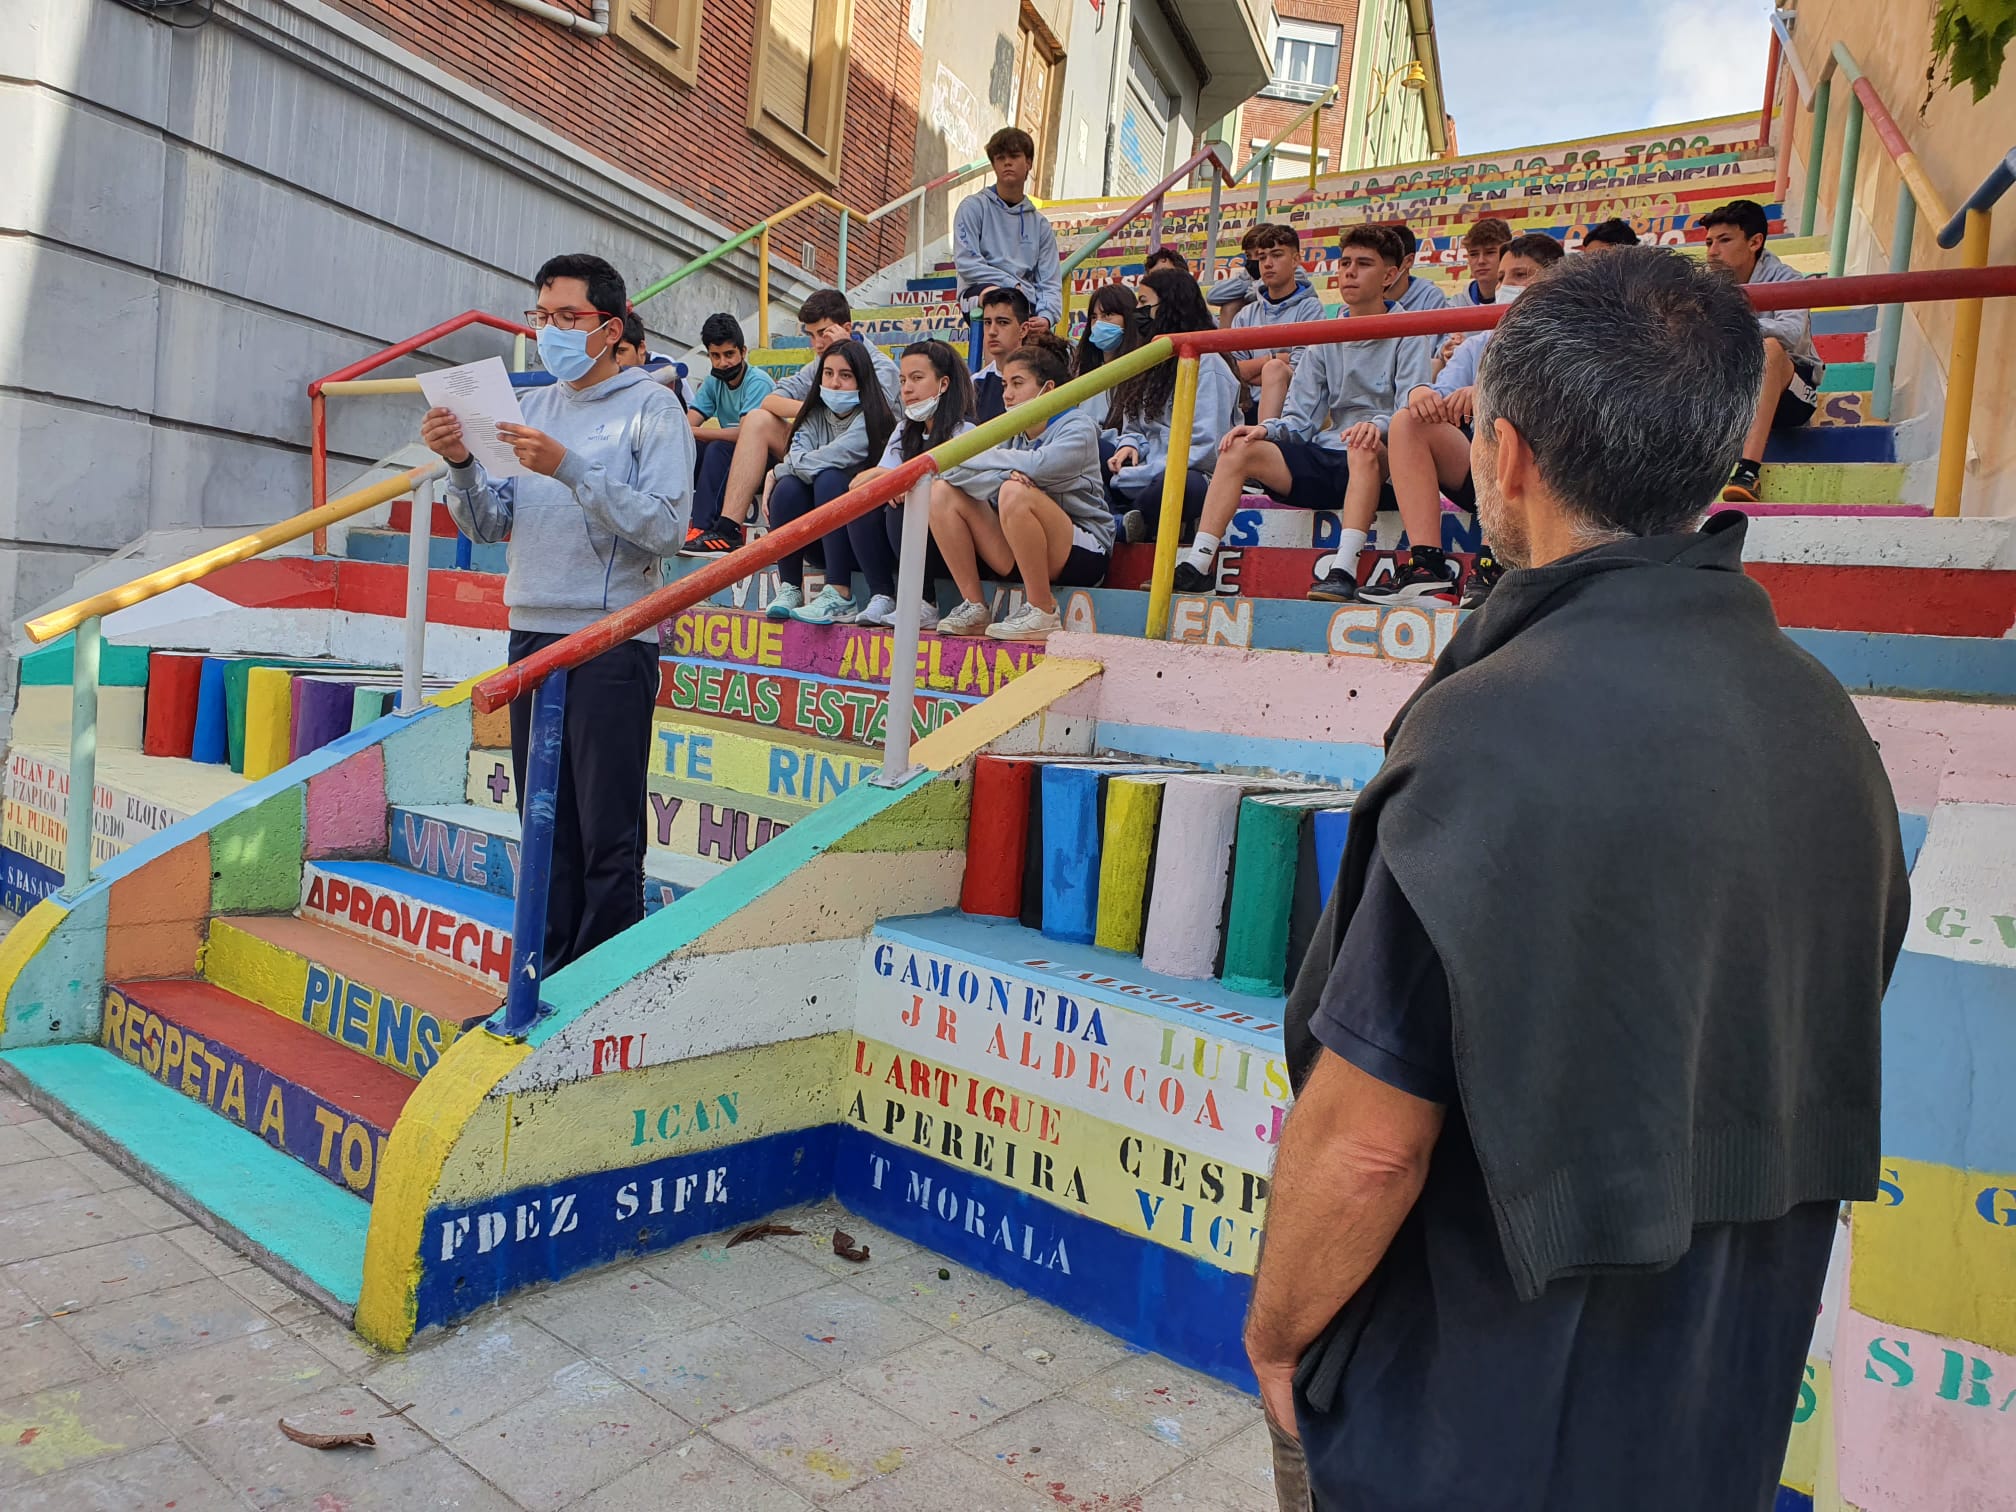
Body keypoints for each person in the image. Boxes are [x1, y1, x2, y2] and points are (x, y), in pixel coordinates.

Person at [1247, 244, 1907, 1512]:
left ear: (1505, 459)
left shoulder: (1488, 730)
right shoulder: (1827, 720)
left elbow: (1371, 1146)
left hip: (1469, 1427)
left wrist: (1278, 1337)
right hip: (1713, 1408)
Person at [422, 253, 690, 971]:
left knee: (606, 831)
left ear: (609, 326)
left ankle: (598, 987)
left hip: (608, 638)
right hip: (531, 635)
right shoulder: (529, 406)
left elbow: (666, 528)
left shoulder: (653, 406)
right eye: (541, 318)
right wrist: (460, 466)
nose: (550, 331)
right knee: (541, 823)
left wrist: (569, 468)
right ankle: (544, 975)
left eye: (566, 318)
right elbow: (487, 524)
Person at [1176, 225, 1429, 597]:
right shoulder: (1323, 334)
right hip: (1330, 454)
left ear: (1390, 275)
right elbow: (1300, 420)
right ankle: (1196, 565)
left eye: (1363, 264)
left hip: (1383, 463)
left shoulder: (1411, 332)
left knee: (1363, 447)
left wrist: (1374, 426)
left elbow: (1408, 411)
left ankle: (1342, 569)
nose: (1350, 273)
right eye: (1345, 263)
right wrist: (1267, 430)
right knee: (1240, 447)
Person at [1374, 231, 1566, 609]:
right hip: (1487, 477)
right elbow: (1439, 393)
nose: (1506, 287)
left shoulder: (1573, 340)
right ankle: (1427, 569)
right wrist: (1420, 395)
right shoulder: (1480, 342)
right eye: (1502, 279)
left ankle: (1496, 563)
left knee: (1503, 416)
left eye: (1520, 276)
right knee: (1407, 421)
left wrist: (1487, 395)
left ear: (1555, 280)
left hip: (1552, 483)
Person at [685, 289, 899, 555]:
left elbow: (873, 419)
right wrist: (818, 407)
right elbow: (771, 401)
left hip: (860, 455)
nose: (817, 344)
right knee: (758, 420)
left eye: (824, 333)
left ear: (846, 328)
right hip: (814, 445)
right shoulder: (819, 363)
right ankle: (727, 529)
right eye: (810, 335)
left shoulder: (883, 367)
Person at [929, 336, 1109, 640]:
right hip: (1021, 547)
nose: (1008, 396)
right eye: (1004, 386)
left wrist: (993, 466)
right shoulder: (1012, 430)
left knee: (1014, 492)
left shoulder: (1079, 426)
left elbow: (1039, 466)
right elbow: (952, 467)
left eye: (1017, 384)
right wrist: (1002, 477)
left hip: (1084, 551)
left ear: (1048, 389)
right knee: (941, 492)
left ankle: (1041, 610)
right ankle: (974, 607)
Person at [839, 340, 977, 629]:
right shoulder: (904, 430)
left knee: (903, 505)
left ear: (943, 383)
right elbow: (864, 481)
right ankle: (882, 595)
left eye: (917, 378)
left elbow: (956, 490)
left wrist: (900, 482)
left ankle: (924, 601)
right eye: (902, 380)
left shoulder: (964, 432)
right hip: (903, 543)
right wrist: (895, 480)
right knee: (864, 500)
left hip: (951, 545)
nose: (907, 389)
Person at [761, 339, 898, 625]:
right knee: (788, 490)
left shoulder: (872, 418)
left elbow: (833, 457)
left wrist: (778, 470)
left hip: (865, 541)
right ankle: (790, 588)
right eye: (828, 373)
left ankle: (841, 593)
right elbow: (798, 455)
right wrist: (785, 473)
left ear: (862, 379)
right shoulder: (813, 415)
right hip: (822, 537)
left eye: (845, 375)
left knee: (829, 479)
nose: (835, 383)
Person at [1700, 199, 1825, 503]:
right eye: (1709, 242)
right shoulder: (1707, 287)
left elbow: (1792, 334)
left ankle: (1747, 472)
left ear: (1755, 242)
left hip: (1792, 394)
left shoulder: (1787, 279)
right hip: (1735, 391)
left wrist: (1733, 330)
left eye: (1725, 240)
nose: (1713, 251)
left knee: (1768, 348)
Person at [1105, 268, 1240, 544]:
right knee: (1090, 448)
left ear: (1168, 306)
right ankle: (1122, 521)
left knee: (1178, 485)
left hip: (1187, 476)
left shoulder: (1209, 366)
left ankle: (1123, 521)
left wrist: (1139, 474)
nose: (1137, 311)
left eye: (1144, 303)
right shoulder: (1147, 363)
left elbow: (1205, 451)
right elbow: (1134, 428)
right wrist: (1128, 446)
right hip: (1141, 472)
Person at [954, 127, 1062, 334]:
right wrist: (1011, 284)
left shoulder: (1040, 225)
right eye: (1000, 158)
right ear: (994, 165)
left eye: (1014, 156)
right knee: (999, 300)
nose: (1007, 163)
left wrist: (1047, 316)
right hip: (980, 291)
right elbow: (967, 263)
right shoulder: (973, 207)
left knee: (1038, 330)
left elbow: (1049, 280)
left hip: (1025, 299)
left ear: (1028, 163)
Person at [683, 313, 774, 548]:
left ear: (743, 352)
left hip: (765, 458)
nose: (723, 363)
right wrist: (690, 433)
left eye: (729, 354)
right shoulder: (714, 382)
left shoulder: (758, 382)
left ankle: (704, 528)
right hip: (731, 460)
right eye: (715, 356)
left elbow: (745, 435)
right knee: (692, 447)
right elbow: (687, 424)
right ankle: (680, 518)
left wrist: (694, 431)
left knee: (717, 448)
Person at [1230, 223, 1326, 423]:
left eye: (1277, 255)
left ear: (1296, 260)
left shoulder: (1311, 309)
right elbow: (1234, 372)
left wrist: (1258, 371)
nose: (1267, 263)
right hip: (1245, 409)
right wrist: (1274, 359)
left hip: (1292, 411)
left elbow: (1301, 369)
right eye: (1262, 257)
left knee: (1275, 369)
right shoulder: (1246, 314)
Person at [973, 286, 1033, 423]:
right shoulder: (974, 384)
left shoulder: (1041, 378)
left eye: (1002, 322)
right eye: (987, 322)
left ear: (1023, 330)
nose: (992, 331)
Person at [1209, 225, 1268, 328]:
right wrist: (1251, 282)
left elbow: (1254, 295)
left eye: (1259, 255)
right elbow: (1213, 296)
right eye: (1248, 256)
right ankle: (1227, 343)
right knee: (1230, 306)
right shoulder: (1248, 276)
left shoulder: (1293, 273)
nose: (1253, 260)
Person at [1461, 217, 1513, 304]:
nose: (1481, 261)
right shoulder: (1456, 304)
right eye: (1473, 254)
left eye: (1490, 252)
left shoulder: (1524, 301)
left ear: (1506, 254)